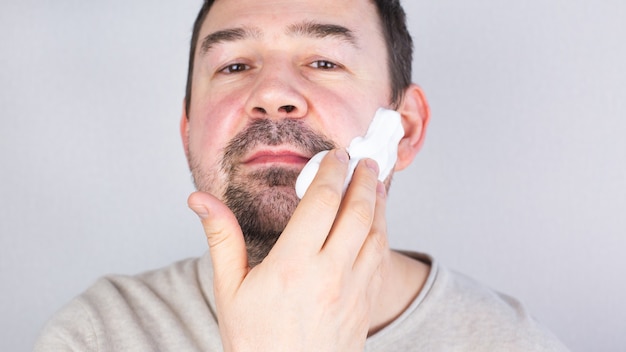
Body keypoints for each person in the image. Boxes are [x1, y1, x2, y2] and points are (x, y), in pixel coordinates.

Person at [35, 0, 570, 350]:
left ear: (403, 131)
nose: (271, 95)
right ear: (189, 130)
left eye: (323, 62)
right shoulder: (96, 335)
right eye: (235, 66)